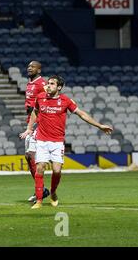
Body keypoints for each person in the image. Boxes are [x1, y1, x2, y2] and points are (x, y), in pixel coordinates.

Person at [20, 75, 113, 209]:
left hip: (57, 141)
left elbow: (81, 114)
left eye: (52, 84)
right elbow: (35, 112)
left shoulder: (65, 101)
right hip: (42, 140)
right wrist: (29, 128)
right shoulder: (40, 97)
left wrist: (99, 126)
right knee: (40, 168)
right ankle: (39, 200)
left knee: (57, 170)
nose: (48, 85)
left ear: (59, 87)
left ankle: (53, 192)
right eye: (48, 83)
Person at [24, 61, 50, 203]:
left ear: (39, 70)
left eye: (33, 67)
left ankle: (41, 190)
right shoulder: (30, 83)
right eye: (28, 66)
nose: (29, 68)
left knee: (31, 155)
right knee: (28, 157)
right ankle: (40, 189)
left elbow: (49, 97)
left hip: (39, 123)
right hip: (31, 122)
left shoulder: (41, 84)